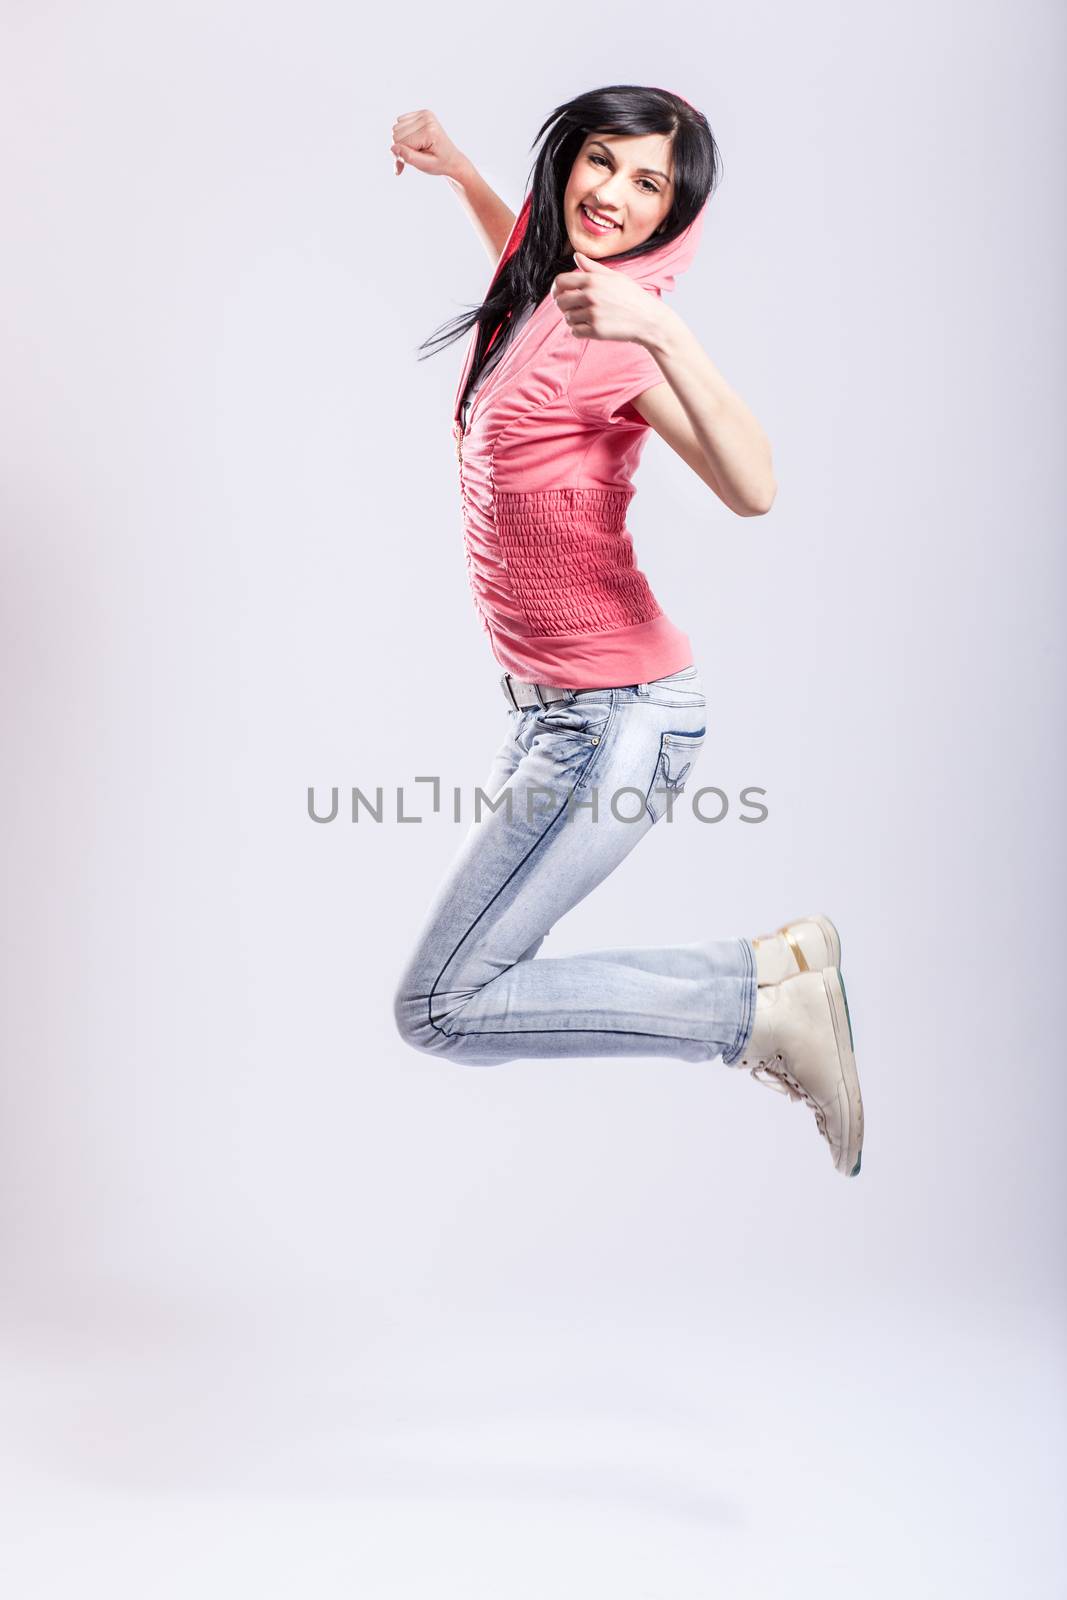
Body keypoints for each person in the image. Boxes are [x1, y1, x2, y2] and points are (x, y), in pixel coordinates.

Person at [387, 85, 864, 1178]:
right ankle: (766, 983)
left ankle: (749, 999)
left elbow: (754, 485)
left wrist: (664, 329)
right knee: (460, 988)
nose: (610, 193)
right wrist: (459, 170)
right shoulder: (552, 291)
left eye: (646, 182)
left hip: (617, 722)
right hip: (560, 718)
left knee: (442, 1002)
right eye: (599, 160)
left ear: (674, 210)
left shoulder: (626, 335)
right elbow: (527, 254)